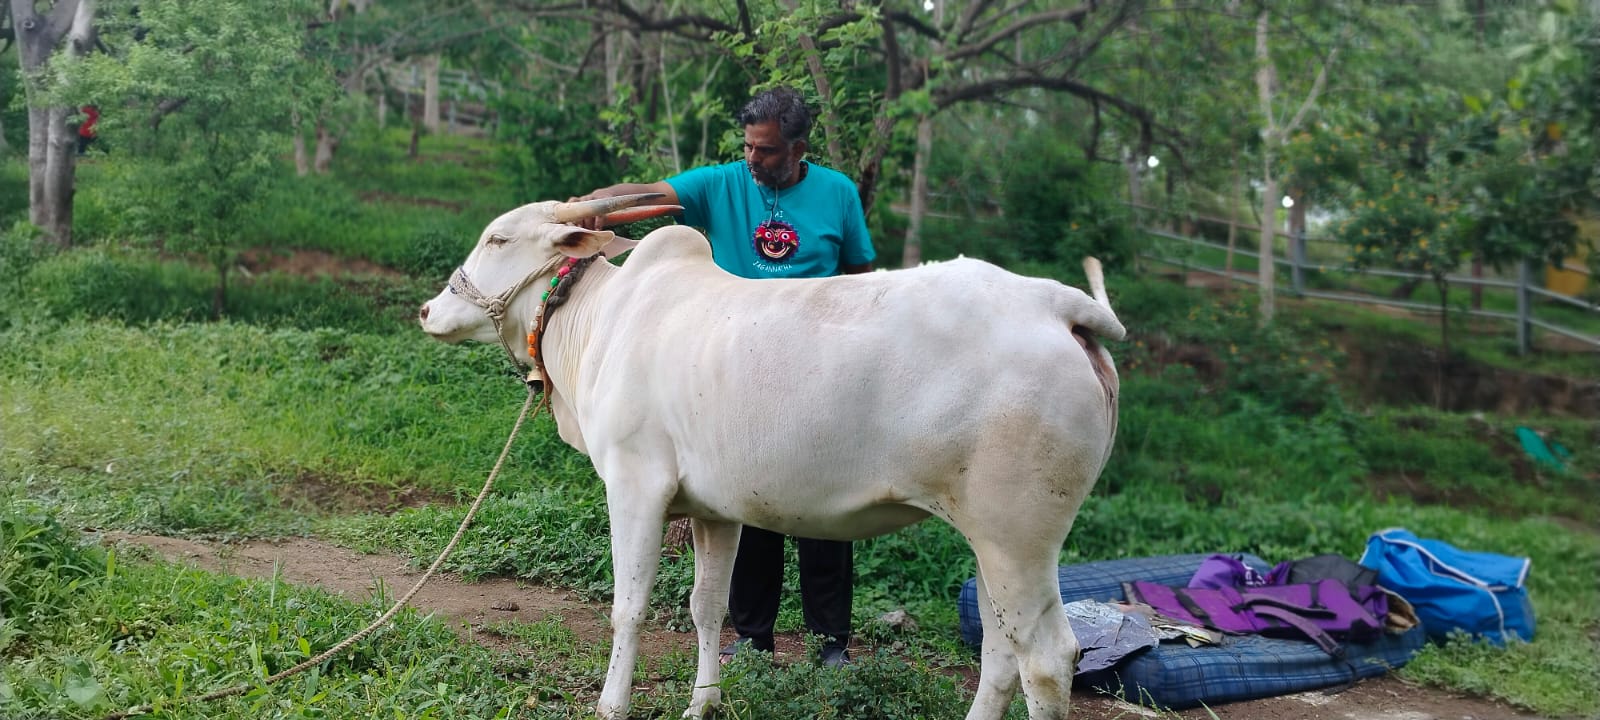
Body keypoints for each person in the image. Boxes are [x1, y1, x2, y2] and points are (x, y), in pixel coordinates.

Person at [574, 86, 874, 668]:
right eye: (747, 146)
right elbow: (652, 196)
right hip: (735, 368)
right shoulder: (721, 183)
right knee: (749, 500)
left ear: (797, 148)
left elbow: (861, 280)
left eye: (764, 150)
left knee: (827, 510)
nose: (752, 159)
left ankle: (829, 644)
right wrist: (593, 203)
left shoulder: (837, 193)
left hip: (818, 369)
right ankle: (754, 637)